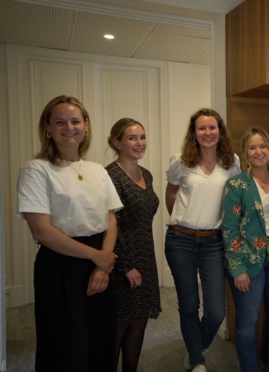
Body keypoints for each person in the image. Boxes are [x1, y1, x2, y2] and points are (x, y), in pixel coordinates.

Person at [16, 95, 123, 371]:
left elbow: (110, 218)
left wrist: (102, 265)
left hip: (100, 259)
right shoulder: (36, 169)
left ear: (86, 126)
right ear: (47, 127)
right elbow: (41, 230)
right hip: (60, 263)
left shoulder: (97, 170)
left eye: (76, 121)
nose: (69, 127)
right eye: (60, 122)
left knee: (101, 338)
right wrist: (98, 257)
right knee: (64, 341)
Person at [165, 108, 240, 372]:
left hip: (214, 243)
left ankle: (198, 345)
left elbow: (234, 202)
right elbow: (172, 194)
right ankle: (196, 360)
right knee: (188, 304)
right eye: (202, 128)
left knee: (216, 311)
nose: (207, 133)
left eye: (212, 128)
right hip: (180, 241)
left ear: (220, 131)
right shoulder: (181, 161)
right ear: (194, 133)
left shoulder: (232, 163)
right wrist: (183, 219)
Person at [222, 127, 269, 372]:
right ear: (245, 153)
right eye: (252, 147)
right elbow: (230, 229)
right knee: (248, 321)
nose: (258, 152)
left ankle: (268, 361)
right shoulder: (236, 184)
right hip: (248, 259)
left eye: (262, 146)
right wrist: (237, 268)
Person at [106, 118, 161, 372]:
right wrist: (127, 265)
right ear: (117, 143)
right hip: (120, 261)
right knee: (119, 324)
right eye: (132, 138)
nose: (140, 143)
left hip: (145, 258)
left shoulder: (146, 175)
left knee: (139, 322)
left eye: (142, 137)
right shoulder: (110, 176)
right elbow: (108, 225)